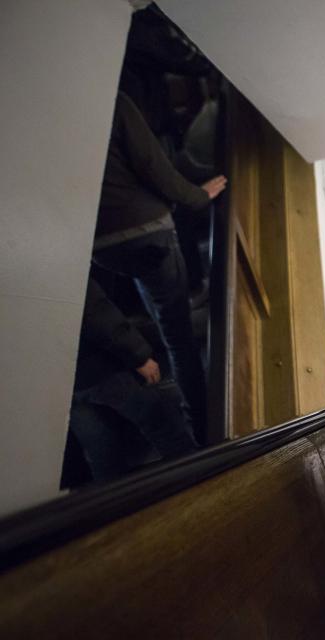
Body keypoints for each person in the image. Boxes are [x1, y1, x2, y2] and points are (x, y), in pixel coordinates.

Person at [92, 91, 227, 443]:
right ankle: (203, 428)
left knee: (163, 310)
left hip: (103, 247)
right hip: (147, 231)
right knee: (178, 338)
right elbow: (153, 165)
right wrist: (196, 196)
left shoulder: (39, 119)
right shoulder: (108, 99)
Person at [67, 276, 198, 483]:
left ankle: (114, 504)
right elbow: (93, 309)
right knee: (160, 424)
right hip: (100, 367)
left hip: (58, 383)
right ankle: (198, 479)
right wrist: (137, 353)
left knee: (100, 451)